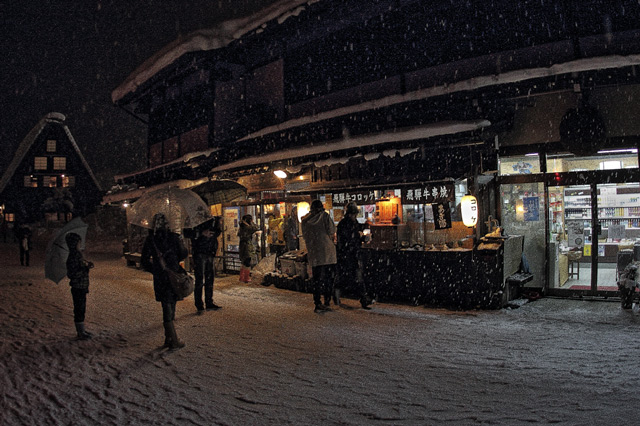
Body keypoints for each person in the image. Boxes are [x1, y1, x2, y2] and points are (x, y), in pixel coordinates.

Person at [141, 213, 188, 349]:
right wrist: (180, 243)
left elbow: (144, 260)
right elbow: (183, 254)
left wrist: (156, 269)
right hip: (173, 274)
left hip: (161, 277)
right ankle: (172, 339)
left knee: (165, 304)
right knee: (171, 304)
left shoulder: (151, 239)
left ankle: (169, 337)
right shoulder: (173, 237)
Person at [301, 199, 337, 313]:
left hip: (314, 252)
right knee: (328, 279)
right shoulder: (324, 217)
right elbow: (332, 231)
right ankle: (326, 301)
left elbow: (305, 236)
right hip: (327, 252)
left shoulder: (305, 221)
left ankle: (317, 303)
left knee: (316, 280)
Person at [336, 202, 372, 309]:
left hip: (350, 254)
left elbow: (353, 238)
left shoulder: (352, 223)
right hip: (347, 255)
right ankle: (337, 296)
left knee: (354, 277)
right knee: (349, 277)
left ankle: (363, 299)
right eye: (354, 214)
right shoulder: (345, 224)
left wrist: (362, 239)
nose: (355, 216)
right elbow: (345, 240)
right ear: (350, 214)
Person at [65, 232, 95, 340]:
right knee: (79, 309)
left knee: (81, 308)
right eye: (78, 242)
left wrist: (87, 266)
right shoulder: (73, 256)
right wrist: (85, 269)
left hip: (81, 285)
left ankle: (81, 330)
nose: (79, 244)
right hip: (78, 286)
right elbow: (72, 273)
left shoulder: (77, 255)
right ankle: (80, 332)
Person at [192, 217, 223, 313]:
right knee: (200, 279)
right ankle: (199, 304)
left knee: (210, 278)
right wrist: (201, 233)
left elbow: (217, 233)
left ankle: (209, 301)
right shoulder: (194, 219)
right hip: (199, 252)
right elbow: (188, 233)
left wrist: (218, 224)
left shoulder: (211, 219)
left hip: (210, 251)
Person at [238, 214, 259, 283]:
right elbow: (256, 228)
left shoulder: (241, 227)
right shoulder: (247, 228)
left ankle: (242, 277)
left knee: (243, 261)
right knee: (247, 261)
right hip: (246, 245)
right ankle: (246, 278)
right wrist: (251, 223)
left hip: (242, 245)